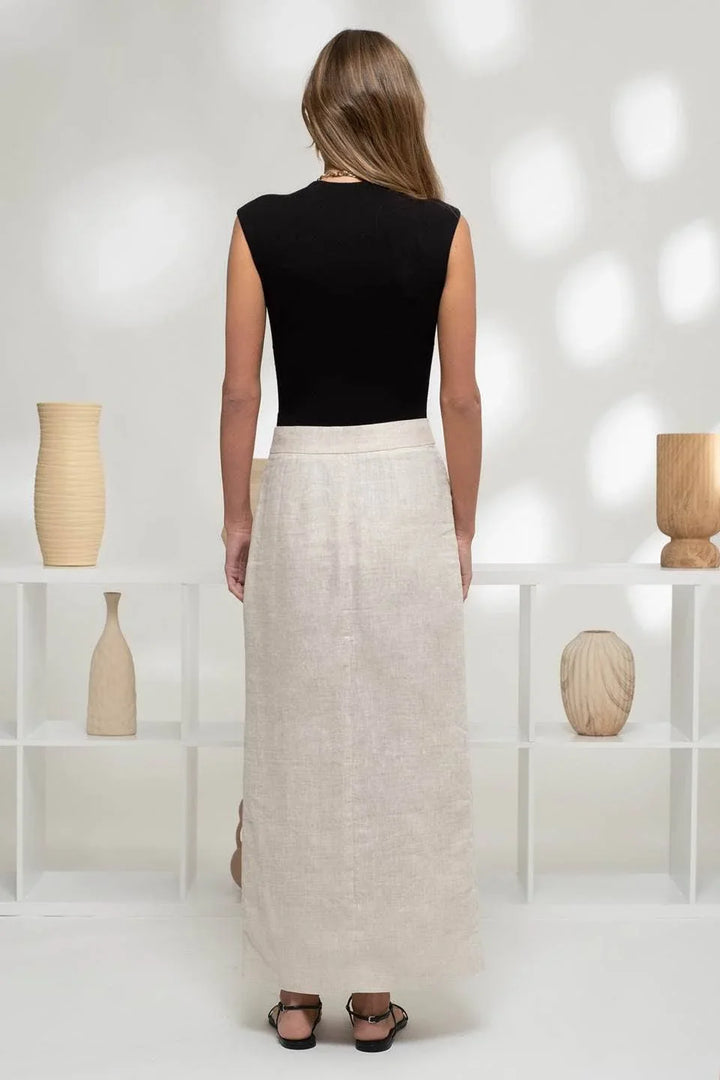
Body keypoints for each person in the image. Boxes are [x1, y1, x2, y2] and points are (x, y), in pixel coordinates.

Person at [220, 27, 483, 1053]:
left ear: (316, 111)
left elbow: (241, 391)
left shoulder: (258, 227)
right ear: (401, 111)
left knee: (294, 730)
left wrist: (237, 515)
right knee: (398, 733)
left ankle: (296, 994)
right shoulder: (443, 232)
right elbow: (460, 398)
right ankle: (373, 1000)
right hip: (404, 490)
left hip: (300, 488)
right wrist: (462, 522)